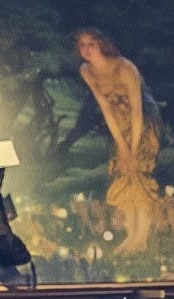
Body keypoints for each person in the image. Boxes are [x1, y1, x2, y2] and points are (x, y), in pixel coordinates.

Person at [74, 27, 162, 254]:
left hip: (142, 125)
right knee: (123, 177)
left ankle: (141, 237)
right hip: (119, 127)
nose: (86, 50)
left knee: (139, 176)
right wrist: (122, 147)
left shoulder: (124, 68)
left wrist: (132, 150)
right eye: (82, 45)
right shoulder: (87, 71)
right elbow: (105, 108)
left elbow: (137, 112)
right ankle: (131, 235)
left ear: (101, 44)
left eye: (91, 44)